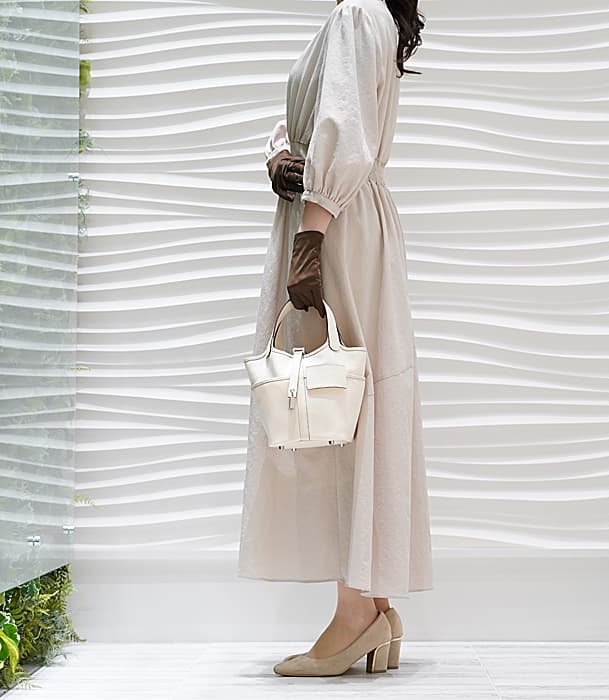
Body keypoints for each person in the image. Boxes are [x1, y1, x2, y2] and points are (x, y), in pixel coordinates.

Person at [238, 0, 432, 676]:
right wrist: (281, 156)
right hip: (349, 221)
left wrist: (310, 242)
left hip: (335, 227)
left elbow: (344, 132)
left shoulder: (355, 13)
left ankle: (356, 614)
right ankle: (373, 605)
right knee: (350, 401)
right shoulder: (367, 15)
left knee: (337, 408)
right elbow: (324, 122)